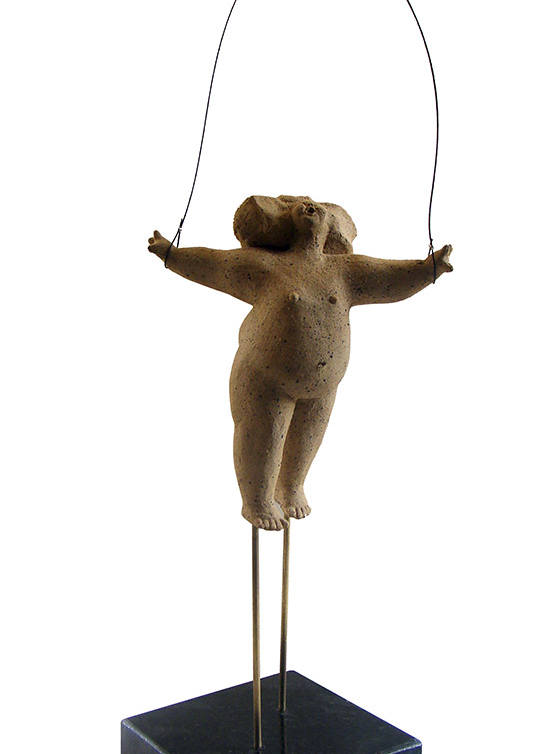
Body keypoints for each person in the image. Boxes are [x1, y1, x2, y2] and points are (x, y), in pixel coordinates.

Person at [149, 194, 452, 529]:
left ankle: (291, 487)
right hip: (264, 379)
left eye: (316, 206)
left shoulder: (345, 270)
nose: (310, 208)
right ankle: (257, 500)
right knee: (260, 437)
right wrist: (171, 254)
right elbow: (216, 265)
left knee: (305, 444)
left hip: (324, 385)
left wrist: (428, 269)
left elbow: (390, 278)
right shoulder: (265, 266)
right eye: (299, 206)